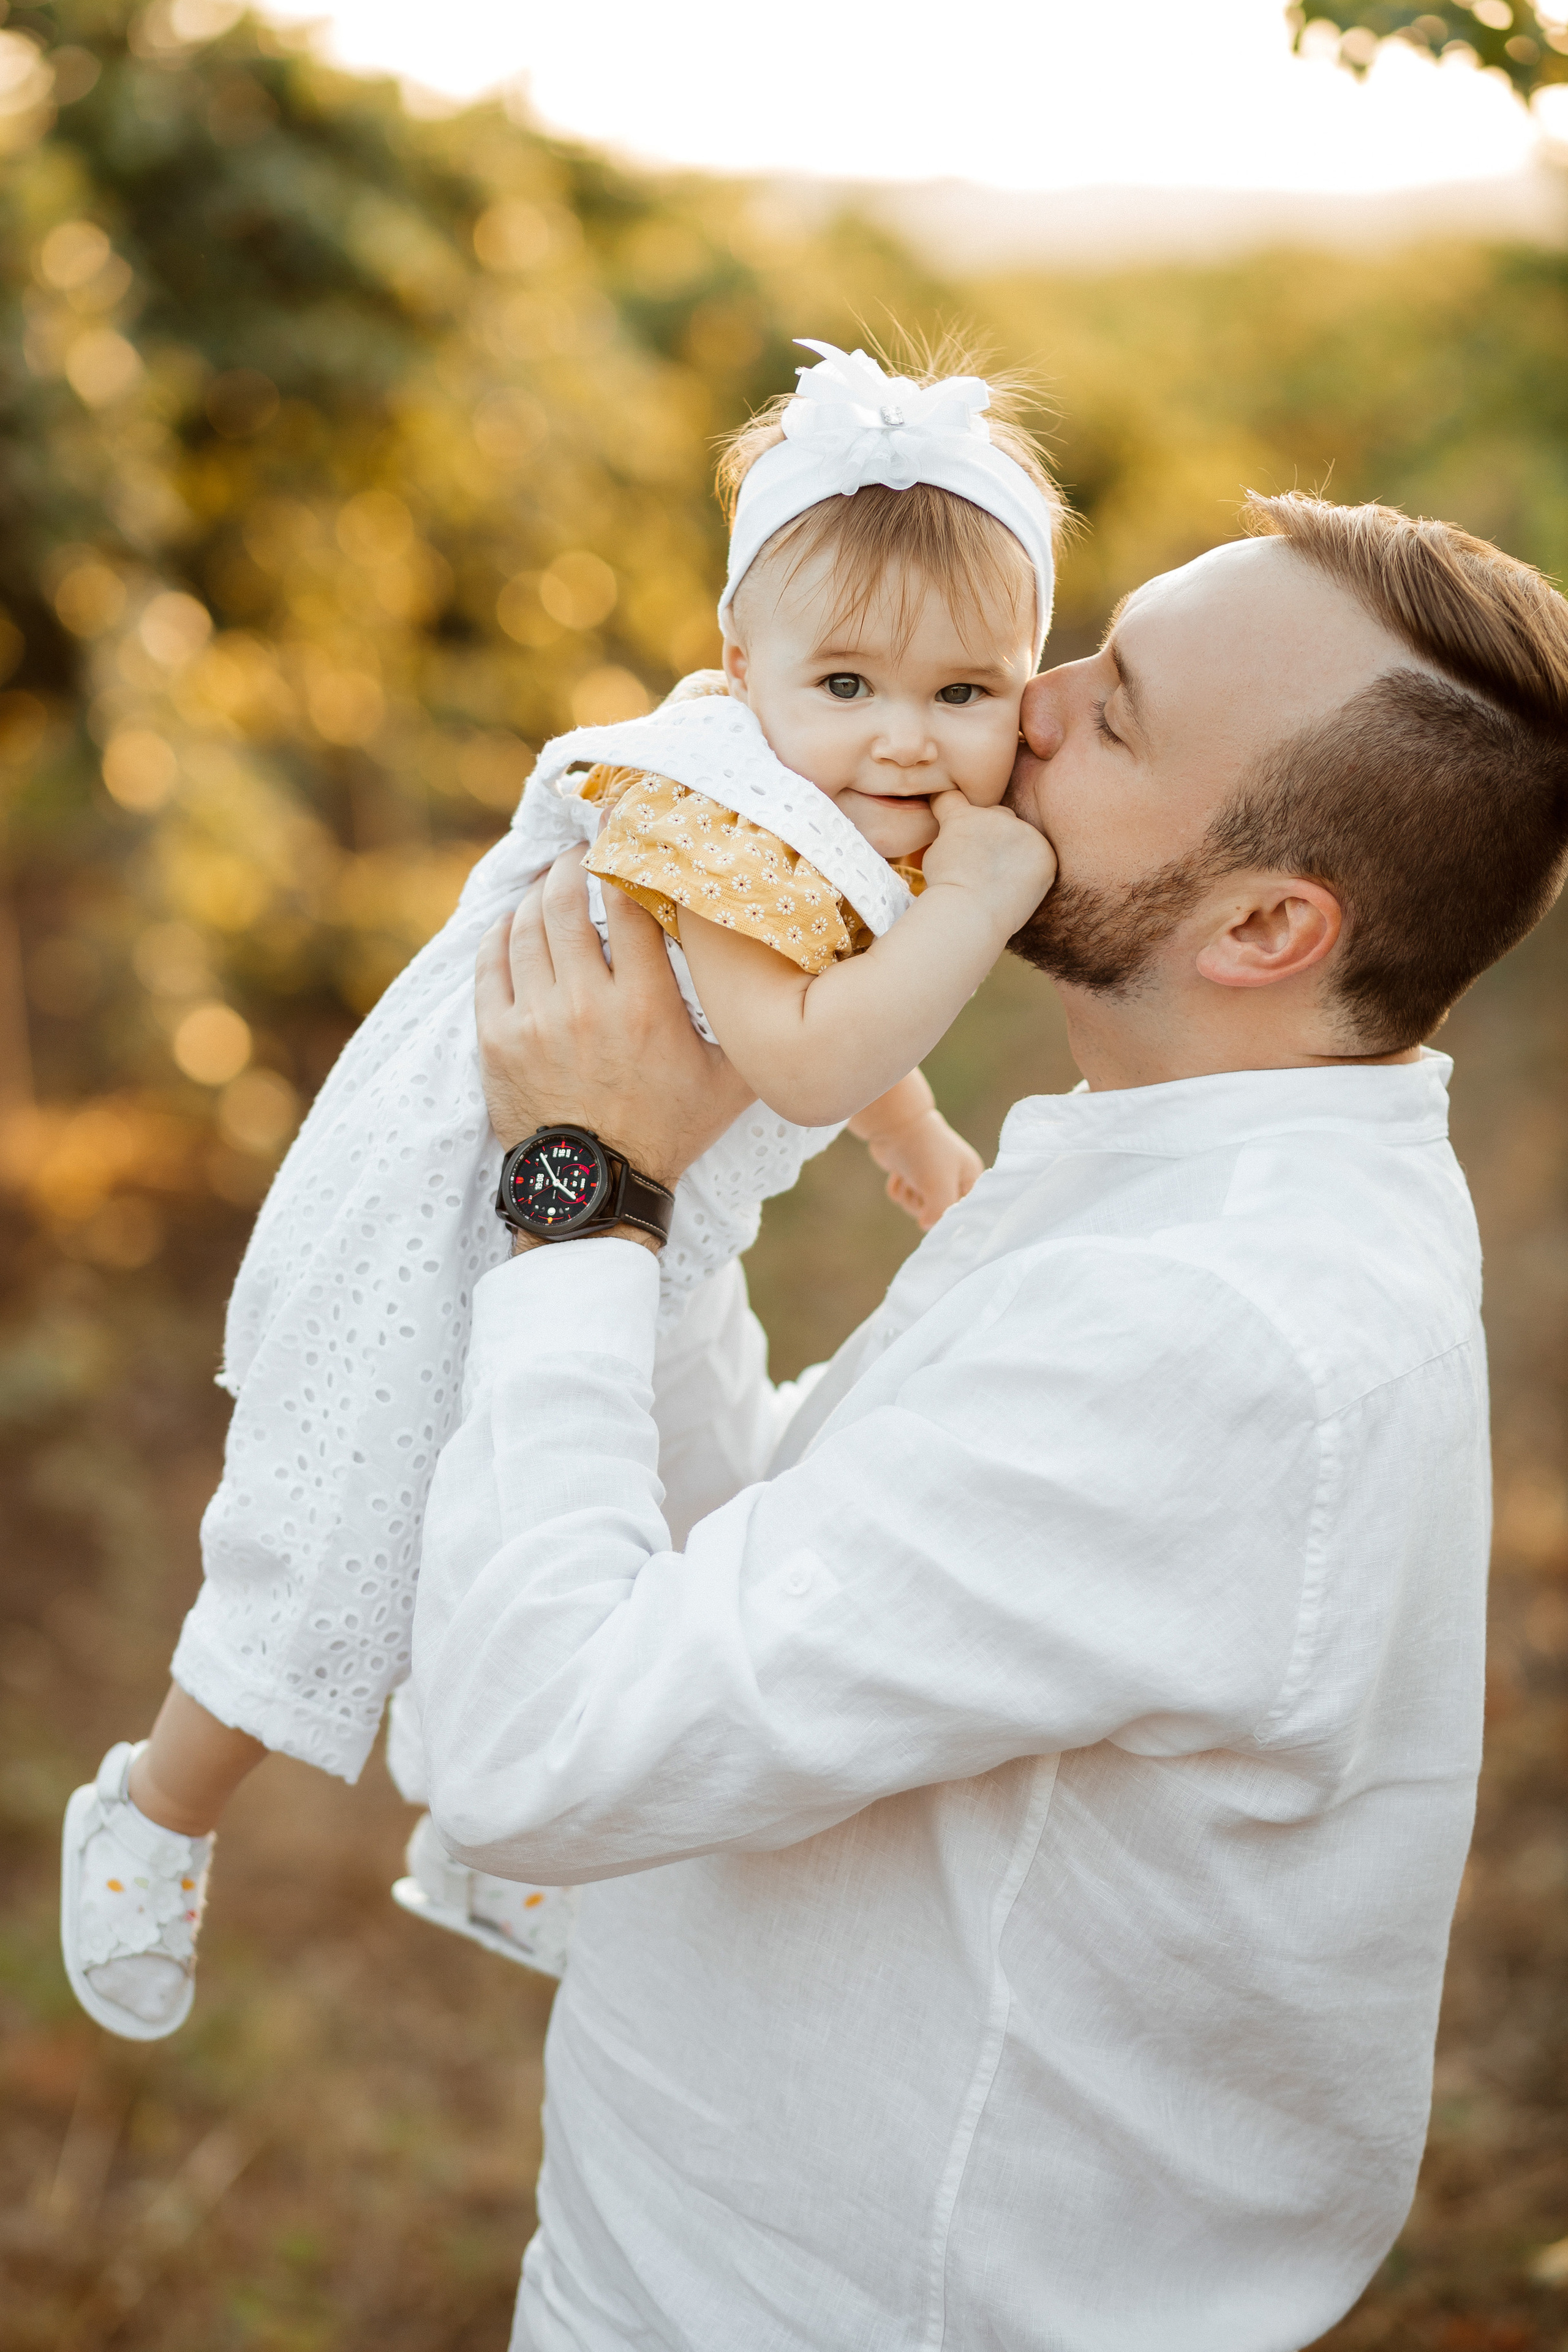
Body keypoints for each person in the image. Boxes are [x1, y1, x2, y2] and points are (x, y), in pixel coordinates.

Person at [410, 492, 1568, 2351]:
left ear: (1267, 924)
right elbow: (774, 1541)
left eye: (1114, 714)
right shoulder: (1180, 1172)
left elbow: (544, 1749)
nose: (1025, 699)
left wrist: (582, 1189)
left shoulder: (1206, 1327)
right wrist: (676, 1169)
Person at [57, 336, 1061, 2034]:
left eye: (965, 694)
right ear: (741, 668)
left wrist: (913, 1135)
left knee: (680, 1507)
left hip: (641, 1239)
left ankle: (493, 1828)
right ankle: (155, 1808)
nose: (904, 741)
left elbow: (832, 985)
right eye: (849, 685)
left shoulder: (824, 799)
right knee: (346, 1540)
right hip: (461, 1232)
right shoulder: (713, 811)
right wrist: (972, 911)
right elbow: (801, 1048)